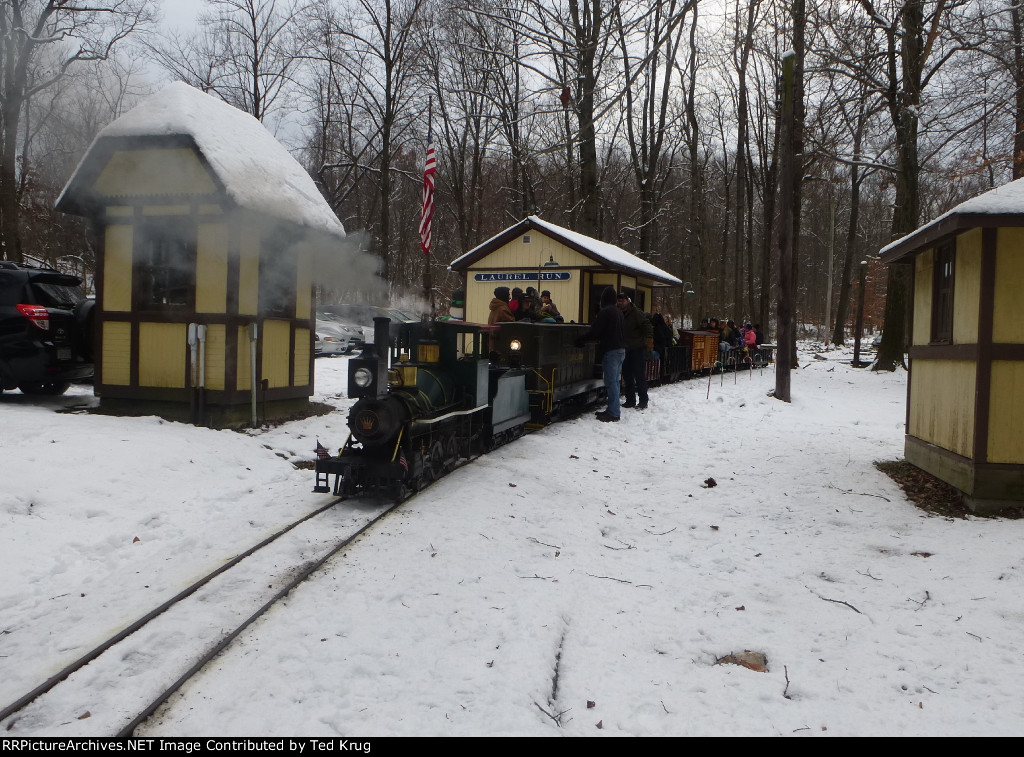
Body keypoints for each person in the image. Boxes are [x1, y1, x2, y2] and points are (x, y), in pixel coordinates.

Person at [576, 286, 625, 422]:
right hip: (621, 350)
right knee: (615, 381)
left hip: (611, 351)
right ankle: (612, 409)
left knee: (611, 382)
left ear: (603, 299)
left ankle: (614, 413)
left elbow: (595, 331)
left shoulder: (606, 312)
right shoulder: (618, 312)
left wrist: (581, 340)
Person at [618, 291, 653, 410]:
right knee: (627, 376)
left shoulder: (636, 313)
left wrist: (648, 342)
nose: (621, 303)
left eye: (622, 300)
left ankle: (643, 400)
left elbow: (647, 325)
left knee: (639, 376)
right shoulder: (619, 313)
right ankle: (630, 400)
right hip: (625, 349)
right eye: (619, 301)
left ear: (628, 301)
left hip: (637, 348)